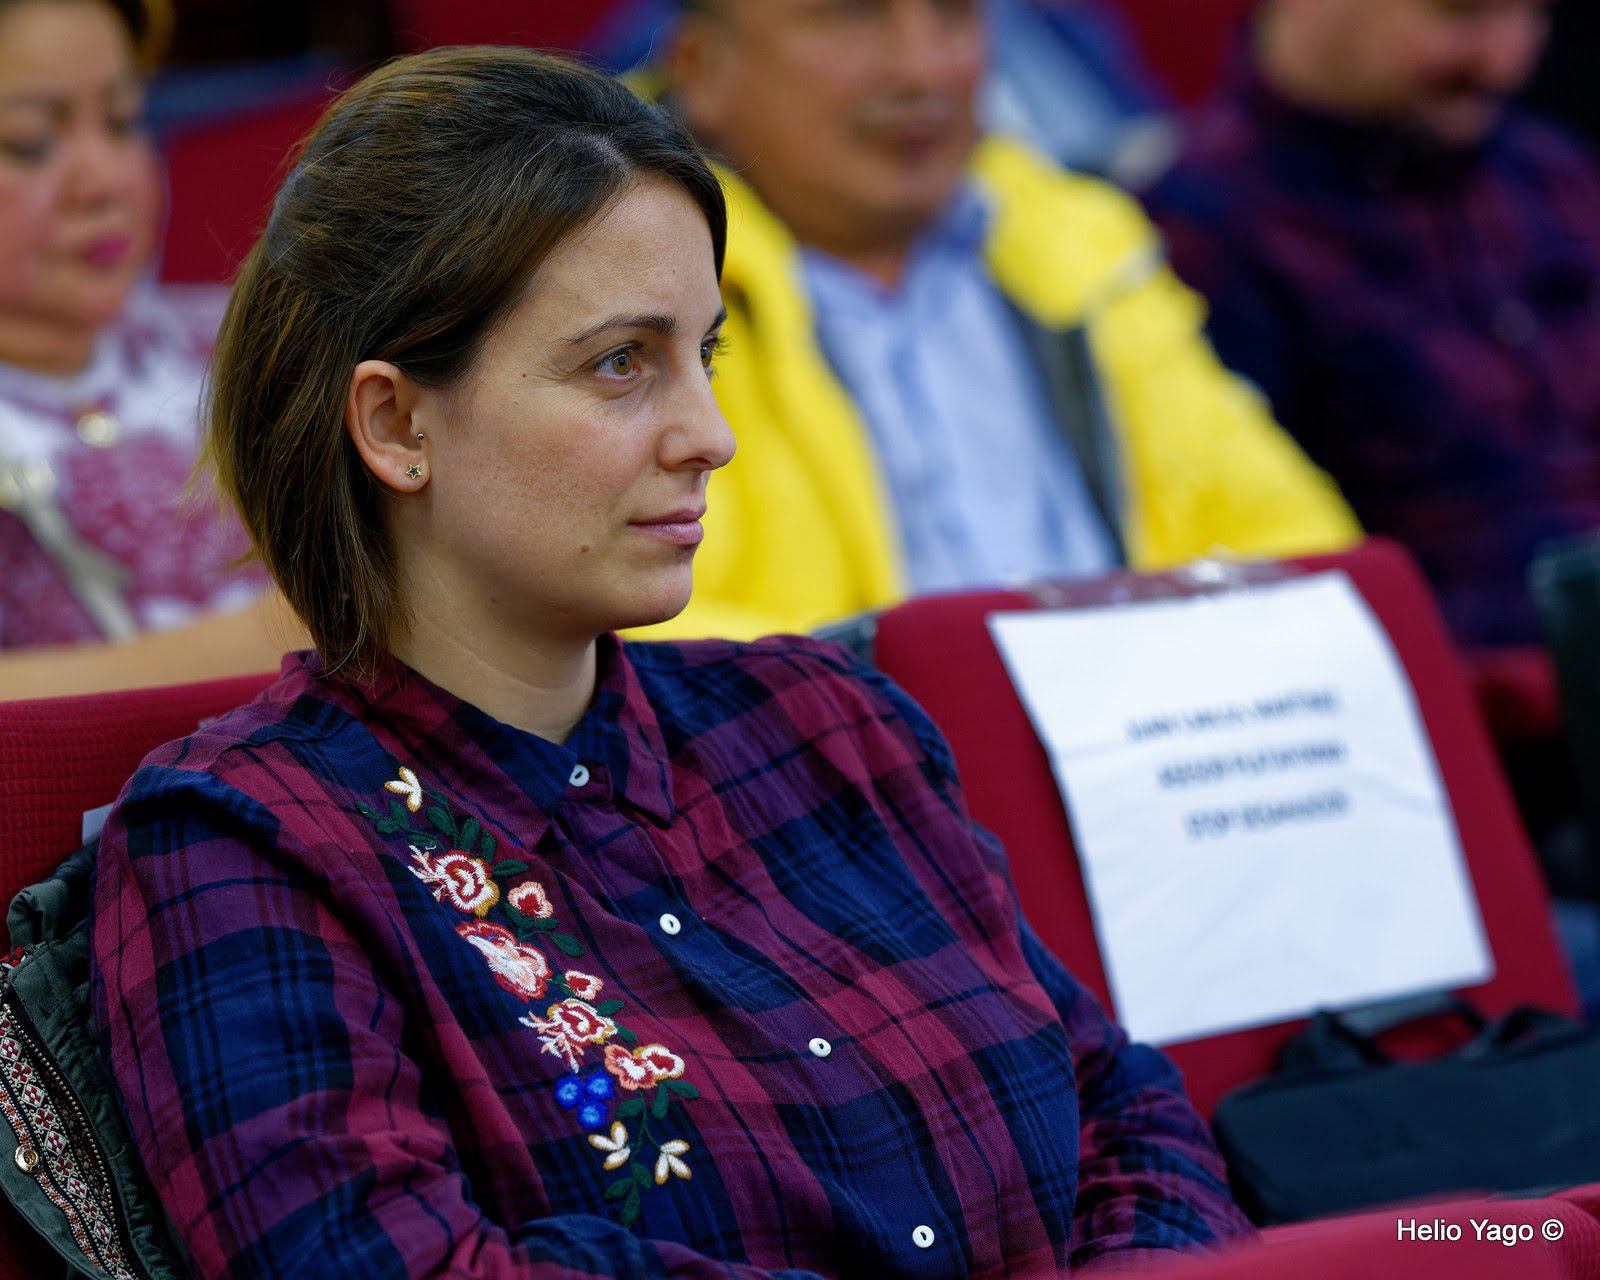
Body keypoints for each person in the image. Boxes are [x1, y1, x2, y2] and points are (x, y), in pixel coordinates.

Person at [89, 46, 1252, 1278]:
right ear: (395, 423)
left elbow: (1127, 1118)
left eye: (707, 352)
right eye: (620, 364)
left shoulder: (827, 718)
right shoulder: (244, 845)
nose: (711, 436)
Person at [636, 0, 1359, 642]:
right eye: (851, 14)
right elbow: (614, 625)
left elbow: (1299, 551)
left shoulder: (1079, 244)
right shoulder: (619, 287)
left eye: (954, 14)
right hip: (815, 783)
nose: (923, 69)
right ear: (703, 67)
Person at [1144, 0, 1596, 649]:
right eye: (1460, 11)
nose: (1502, 60)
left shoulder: (1553, 175)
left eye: (1533, 12)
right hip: (1453, 703)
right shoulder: (1195, 236)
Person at [0, 0, 294, 691]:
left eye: (124, 122)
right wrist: (281, 634)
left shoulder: (255, 338)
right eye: (29, 141)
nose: (103, 183)